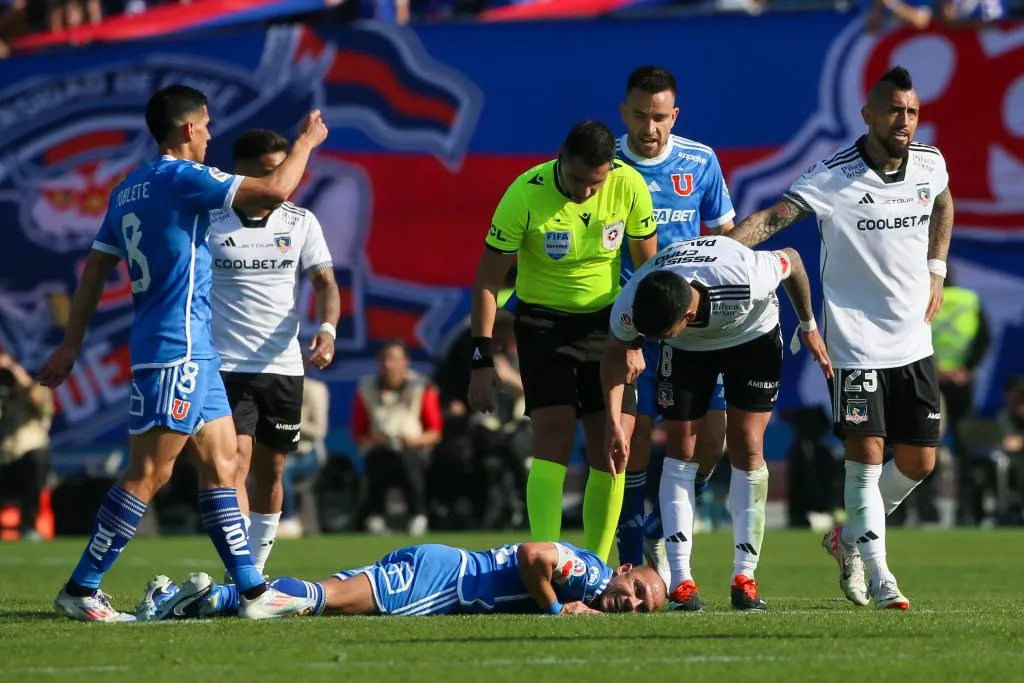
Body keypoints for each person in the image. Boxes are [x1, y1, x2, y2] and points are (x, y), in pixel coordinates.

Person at [38, 84, 329, 622]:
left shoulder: (127, 188)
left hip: (194, 350)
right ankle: (81, 588)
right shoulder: (182, 177)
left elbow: (96, 268)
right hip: (178, 348)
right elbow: (274, 190)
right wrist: (307, 142)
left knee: (222, 466)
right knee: (149, 473)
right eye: (208, 124)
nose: (212, 134)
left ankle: (251, 592)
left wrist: (72, 342)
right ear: (188, 129)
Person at [728, 66, 955, 610]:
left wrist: (937, 267)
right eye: (895, 111)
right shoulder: (833, 175)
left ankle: (846, 537)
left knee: (921, 463)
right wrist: (724, 253)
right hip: (854, 343)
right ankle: (880, 576)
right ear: (869, 115)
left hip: (913, 339)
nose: (905, 121)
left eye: (912, 111)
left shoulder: (930, 162)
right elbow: (775, 218)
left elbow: (943, 204)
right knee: (867, 460)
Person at [602, 237, 831, 611]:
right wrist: (614, 420)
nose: (652, 343)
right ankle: (681, 582)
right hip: (688, 351)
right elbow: (614, 351)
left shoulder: (747, 277)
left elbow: (793, 257)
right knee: (682, 449)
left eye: (659, 336)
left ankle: (745, 577)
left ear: (687, 317)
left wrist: (808, 324)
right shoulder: (634, 298)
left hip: (752, 335)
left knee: (747, 444)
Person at [468, 120, 657, 563]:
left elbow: (649, 271)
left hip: (609, 327)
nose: (586, 192)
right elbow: (486, 283)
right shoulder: (524, 193)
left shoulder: (628, 184)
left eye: (597, 181)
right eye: (577, 179)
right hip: (543, 326)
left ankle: (594, 568)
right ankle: (547, 563)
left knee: (613, 449)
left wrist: (636, 340)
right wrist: (481, 358)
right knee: (552, 435)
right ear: (561, 158)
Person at [613, 66, 736, 578]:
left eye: (659, 117)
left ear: (674, 115)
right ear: (625, 112)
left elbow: (727, 235)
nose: (649, 128)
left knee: (712, 442)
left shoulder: (699, 160)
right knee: (632, 441)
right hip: (629, 322)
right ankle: (628, 558)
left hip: (692, 323)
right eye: (640, 115)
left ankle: (658, 532)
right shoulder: (608, 164)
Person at [211, 128, 340, 574]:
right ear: (240, 174)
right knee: (234, 465)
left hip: (283, 367)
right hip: (225, 365)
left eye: (286, 169)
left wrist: (327, 330)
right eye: (270, 173)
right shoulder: (210, 220)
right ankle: (242, 571)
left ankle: (256, 566)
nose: (282, 181)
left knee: (273, 470)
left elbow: (326, 284)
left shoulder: (300, 220)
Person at [136, 539, 666, 620]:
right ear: (624, 569)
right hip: (446, 581)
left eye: (644, 607)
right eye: (639, 589)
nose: (634, 603)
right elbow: (532, 554)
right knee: (325, 601)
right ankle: (211, 594)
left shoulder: (594, 587)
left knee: (325, 596)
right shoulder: (592, 573)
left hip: (442, 568)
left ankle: (197, 599)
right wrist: (556, 609)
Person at [353, 340, 443, 535]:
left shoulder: (420, 386)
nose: (388, 364)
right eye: (384, 359)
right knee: (377, 459)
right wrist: (375, 440)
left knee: (408, 460)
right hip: (381, 448)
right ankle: (375, 517)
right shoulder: (366, 387)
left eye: (393, 359)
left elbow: (435, 432)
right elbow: (359, 433)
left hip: (413, 448)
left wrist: (414, 441)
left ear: (405, 362)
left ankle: (418, 515)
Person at [0, 351, 53, 540]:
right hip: (3, 460)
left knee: (36, 459)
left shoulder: (33, 389)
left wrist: (15, 372)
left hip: (26, 459)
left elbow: (40, 400)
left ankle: (28, 526)